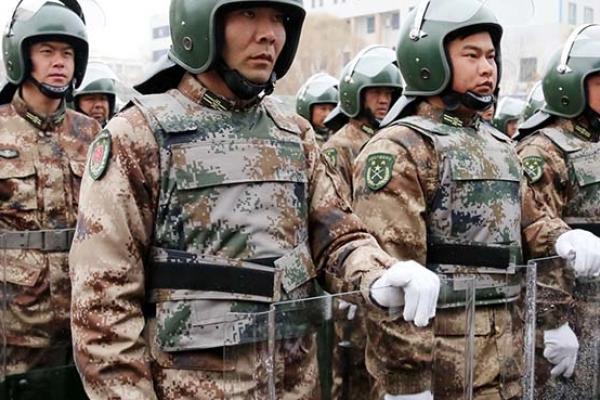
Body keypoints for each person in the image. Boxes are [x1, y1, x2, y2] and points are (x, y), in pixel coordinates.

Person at [68, 0, 440, 399]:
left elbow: (337, 237)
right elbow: (103, 309)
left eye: (279, 18)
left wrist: (378, 274)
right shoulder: (139, 137)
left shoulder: (293, 136)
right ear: (201, 22)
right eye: (249, 14)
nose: (269, 33)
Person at [353, 1, 525, 398]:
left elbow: (530, 227)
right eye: (472, 55)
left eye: (491, 56)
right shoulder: (402, 147)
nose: (487, 68)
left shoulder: (500, 145)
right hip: (441, 371)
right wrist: (408, 382)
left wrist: (561, 238)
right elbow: (394, 277)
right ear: (429, 58)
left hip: (504, 363)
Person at [0, 0, 99, 396]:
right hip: (15, 326)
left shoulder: (94, 134)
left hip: (86, 319)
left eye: (68, 53)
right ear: (22, 57)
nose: (59, 62)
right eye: (47, 52)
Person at [517, 24, 600, 400]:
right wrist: (553, 322)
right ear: (573, 87)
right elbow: (536, 240)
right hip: (574, 317)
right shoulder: (544, 151)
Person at [322, 46, 402, 198]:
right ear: (357, 95)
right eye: (376, 92)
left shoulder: (392, 139)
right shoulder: (338, 147)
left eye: (388, 93)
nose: (384, 100)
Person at [295, 72, 339, 146]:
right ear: (309, 110)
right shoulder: (296, 139)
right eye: (323, 109)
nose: (327, 114)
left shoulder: (341, 140)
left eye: (331, 109)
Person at [73, 61, 119, 127]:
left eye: (103, 99)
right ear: (76, 103)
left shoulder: (118, 133)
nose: (98, 105)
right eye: (90, 99)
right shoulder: (62, 134)